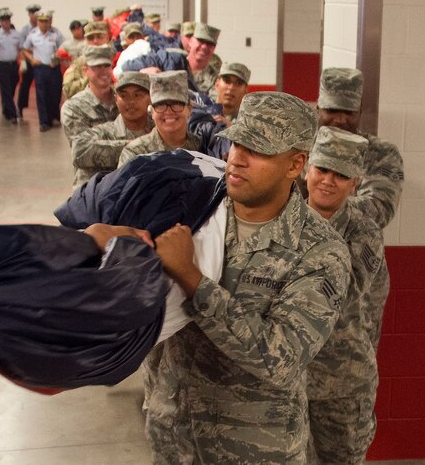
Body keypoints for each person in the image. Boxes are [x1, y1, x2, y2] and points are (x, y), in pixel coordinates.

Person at [144, 92, 351, 463]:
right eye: (237, 142)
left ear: (295, 165)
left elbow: (281, 357)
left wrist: (192, 278)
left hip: (251, 447)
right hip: (175, 434)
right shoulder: (197, 209)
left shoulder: (320, 251)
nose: (236, 157)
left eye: (257, 150)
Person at [304, 126, 387, 464]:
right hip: (286, 379)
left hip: (341, 382)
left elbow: (342, 293)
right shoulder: (279, 218)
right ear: (307, 169)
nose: (328, 180)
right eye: (322, 169)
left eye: (341, 175)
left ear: (355, 183)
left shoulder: (363, 231)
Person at [316, 68, 404, 232]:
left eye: (349, 113)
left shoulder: (381, 153)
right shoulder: (300, 147)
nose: (340, 120)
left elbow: (378, 210)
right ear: (318, 110)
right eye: (331, 111)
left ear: (360, 112)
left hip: (355, 252)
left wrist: (312, 207)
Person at [71, 71, 154, 186]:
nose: (131, 102)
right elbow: (79, 151)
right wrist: (135, 147)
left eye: (137, 95)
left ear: (151, 98)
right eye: (124, 96)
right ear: (116, 99)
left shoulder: (160, 131)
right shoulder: (105, 133)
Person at [118, 70, 203, 166]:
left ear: (189, 109)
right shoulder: (135, 153)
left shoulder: (201, 146)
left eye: (176, 104)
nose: (169, 111)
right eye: (160, 105)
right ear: (152, 112)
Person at [61, 45, 118, 142]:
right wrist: (128, 144)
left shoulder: (123, 100)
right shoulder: (73, 107)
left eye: (107, 66)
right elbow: (83, 147)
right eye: (98, 67)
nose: (104, 71)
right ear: (85, 70)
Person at [21, 10, 64, 131]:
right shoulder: (33, 34)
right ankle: (44, 122)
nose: (44, 24)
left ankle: (54, 117)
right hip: (40, 69)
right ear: (38, 22)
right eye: (42, 21)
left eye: (46, 21)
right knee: (42, 95)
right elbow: (24, 49)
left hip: (54, 68)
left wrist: (57, 57)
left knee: (55, 94)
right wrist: (31, 59)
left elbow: (63, 48)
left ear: (49, 22)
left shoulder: (56, 34)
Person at [0, 7, 25, 124]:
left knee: (12, 86)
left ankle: (6, 109)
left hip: (13, 65)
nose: (5, 22)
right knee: (6, 88)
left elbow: (21, 49)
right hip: (1, 65)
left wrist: (23, 62)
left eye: (7, 20)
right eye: (3, 20)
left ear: (10, 20)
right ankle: (13, 114)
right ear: (0, 21)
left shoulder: (17, 34)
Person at [62, 21, 112, 99]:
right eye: (90, 38)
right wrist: (91, 78)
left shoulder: (118, 59)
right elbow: (68, 90)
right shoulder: (79, 63)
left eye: (99, 37)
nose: (95, 41)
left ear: (107, 38)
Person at [17, 3, 42, 117]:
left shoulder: (43, 28)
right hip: (28, 60)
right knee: (25, 85)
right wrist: (23, 61)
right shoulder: (24, 30)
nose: (35, 16)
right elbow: (21, 47)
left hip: (40, 60)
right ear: (29, 15)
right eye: (32, 13)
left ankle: (43, 111)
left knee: (41, 86)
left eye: (36, 13)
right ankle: (20, 108)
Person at [187, 22, 222, 95]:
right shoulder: (173, 65)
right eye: (201, 40)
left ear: (214, 48)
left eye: (210, 44)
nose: (204, 47)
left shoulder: (216, 77)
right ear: (191, 41)